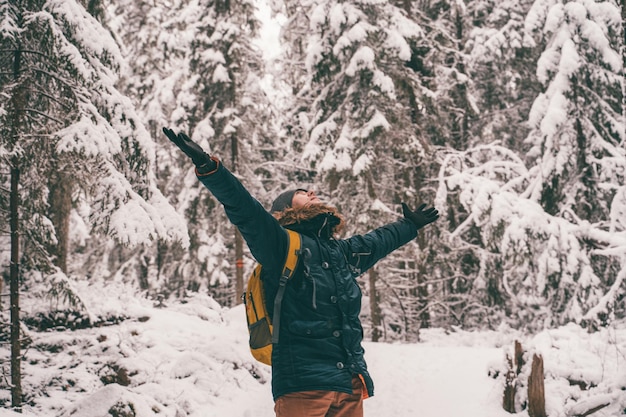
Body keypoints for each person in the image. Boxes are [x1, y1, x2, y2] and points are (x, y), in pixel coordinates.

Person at [163, 127, 440, 417]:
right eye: (301, 193)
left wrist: (409, 225)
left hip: (349, 385)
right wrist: (211, 169)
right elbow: (244, 208)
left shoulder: (339, 254)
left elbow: (375, 243)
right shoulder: (280, 246)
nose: (311, 192)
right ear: (285, 209)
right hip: (303, 385)